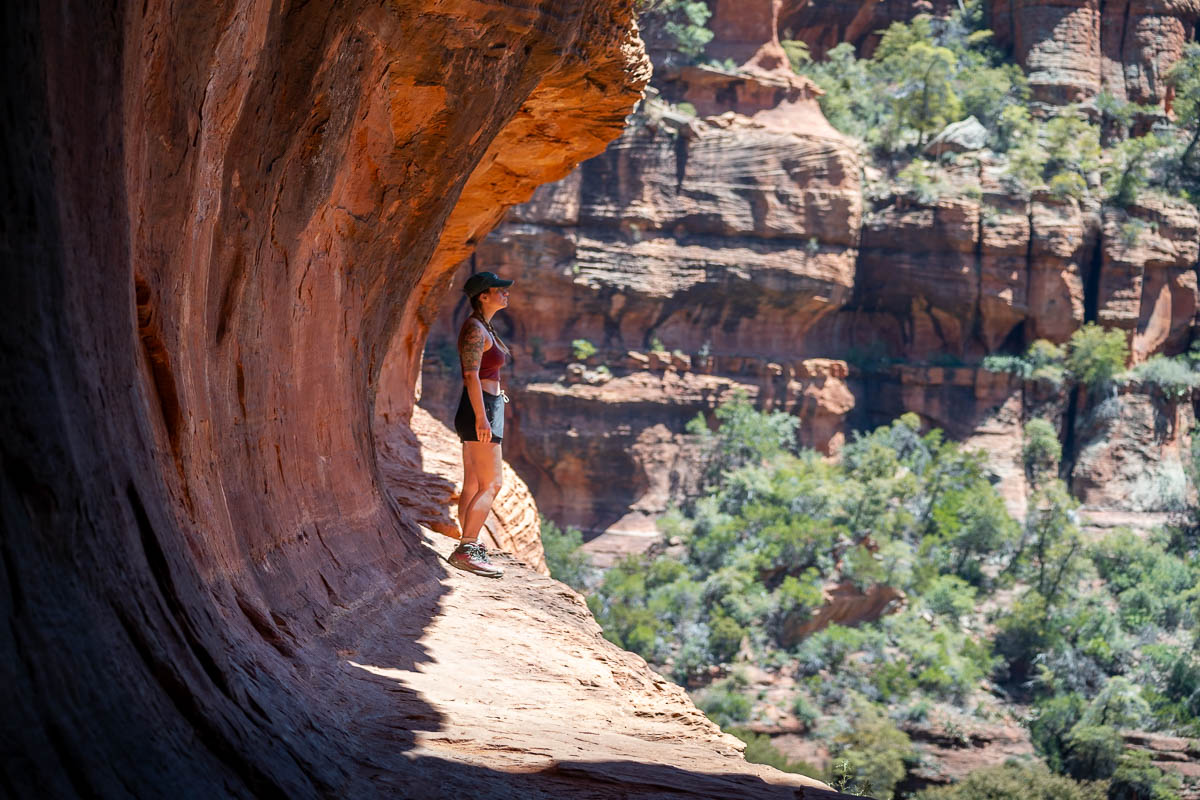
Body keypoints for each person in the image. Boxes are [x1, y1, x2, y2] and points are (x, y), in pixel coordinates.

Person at [447, 271, 514, 577]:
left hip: (484, 408)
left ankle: (467, 542)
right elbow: (471, 375)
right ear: (483, 296)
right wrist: (482, 417)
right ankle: (467, 548)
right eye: (499, 290)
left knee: (474, 482)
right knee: (492, 483)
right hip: (480, 409)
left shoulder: (483, 327)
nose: (505, 293)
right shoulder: (475, 329)